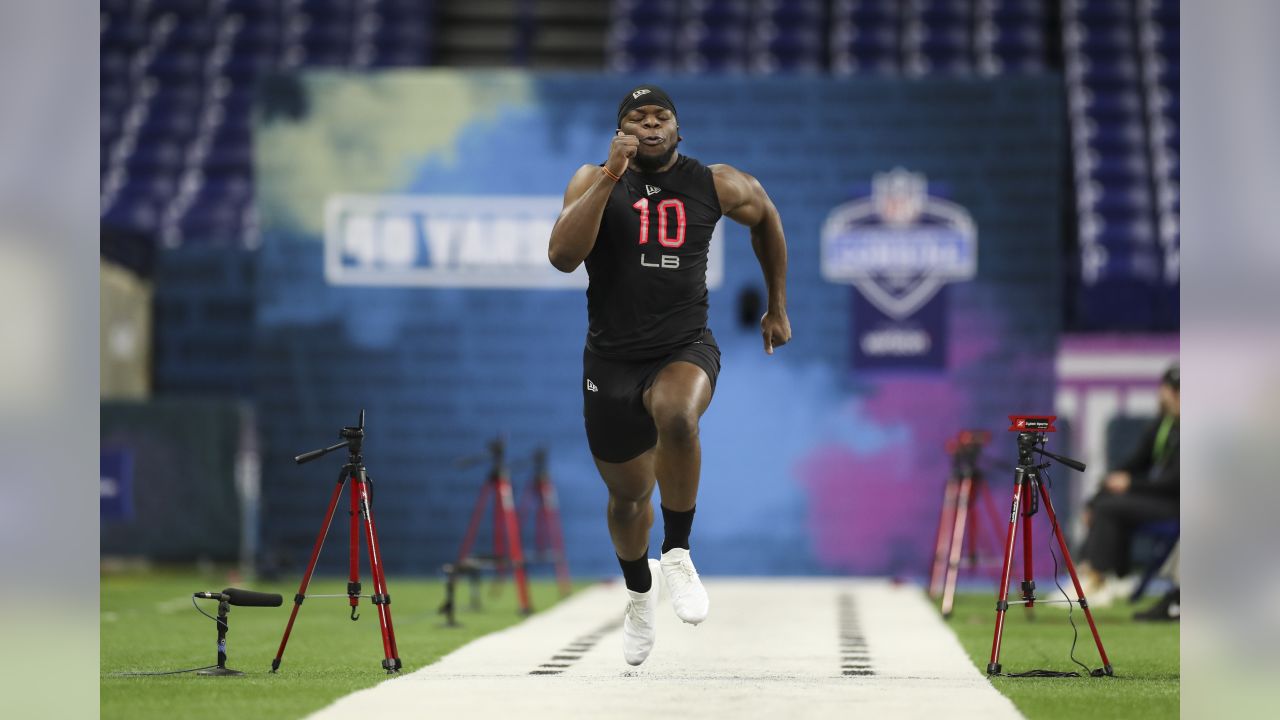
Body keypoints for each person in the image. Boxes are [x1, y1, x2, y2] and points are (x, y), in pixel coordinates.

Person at [547, 85, 791, 666]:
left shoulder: (717, 182)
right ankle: (638, 592)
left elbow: (767, 218)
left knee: (678, 414)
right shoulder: (594, 177)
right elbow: (561, 256)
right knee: (628, 499)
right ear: (620, 130)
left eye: (662, 117)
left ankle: (678, 553)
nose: (650, 125)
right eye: (638, 118)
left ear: (679, 130)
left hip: (684, 344)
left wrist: (777, 305)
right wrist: (611, 175)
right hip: (611, 359)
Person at [1078, 363, 1180, 606]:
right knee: (1104, 500)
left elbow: (1175, 482)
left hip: (1177, 503)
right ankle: (1111, 576)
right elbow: (1134, 462)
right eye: (1173, 388)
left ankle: (1098, 577)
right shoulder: (1165, 424)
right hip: (1159, 498)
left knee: (1111, 507)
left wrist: (1130, 484)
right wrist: (1100, 493)